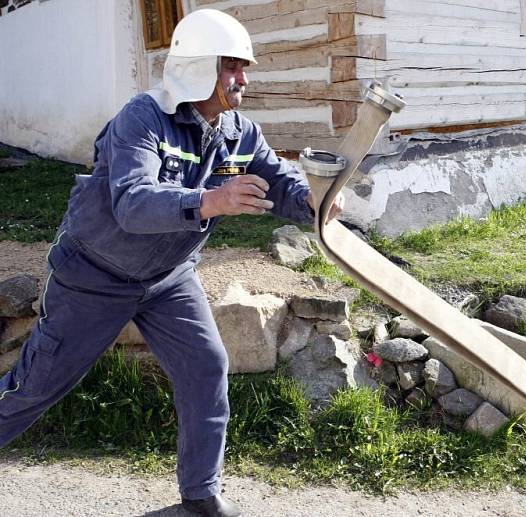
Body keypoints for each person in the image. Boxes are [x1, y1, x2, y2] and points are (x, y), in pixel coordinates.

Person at [0, 9, 342, 517]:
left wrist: (317, 199)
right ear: (200, 68)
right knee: (35, 387)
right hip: (93, 275)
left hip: (167, 280)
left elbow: (278, 180)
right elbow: (133, 203)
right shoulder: (141, 118)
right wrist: (210, 200)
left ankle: (199, 498)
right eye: (231, 67)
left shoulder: (239, 132)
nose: (243, 79)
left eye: (243, 68)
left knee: (207, 368)